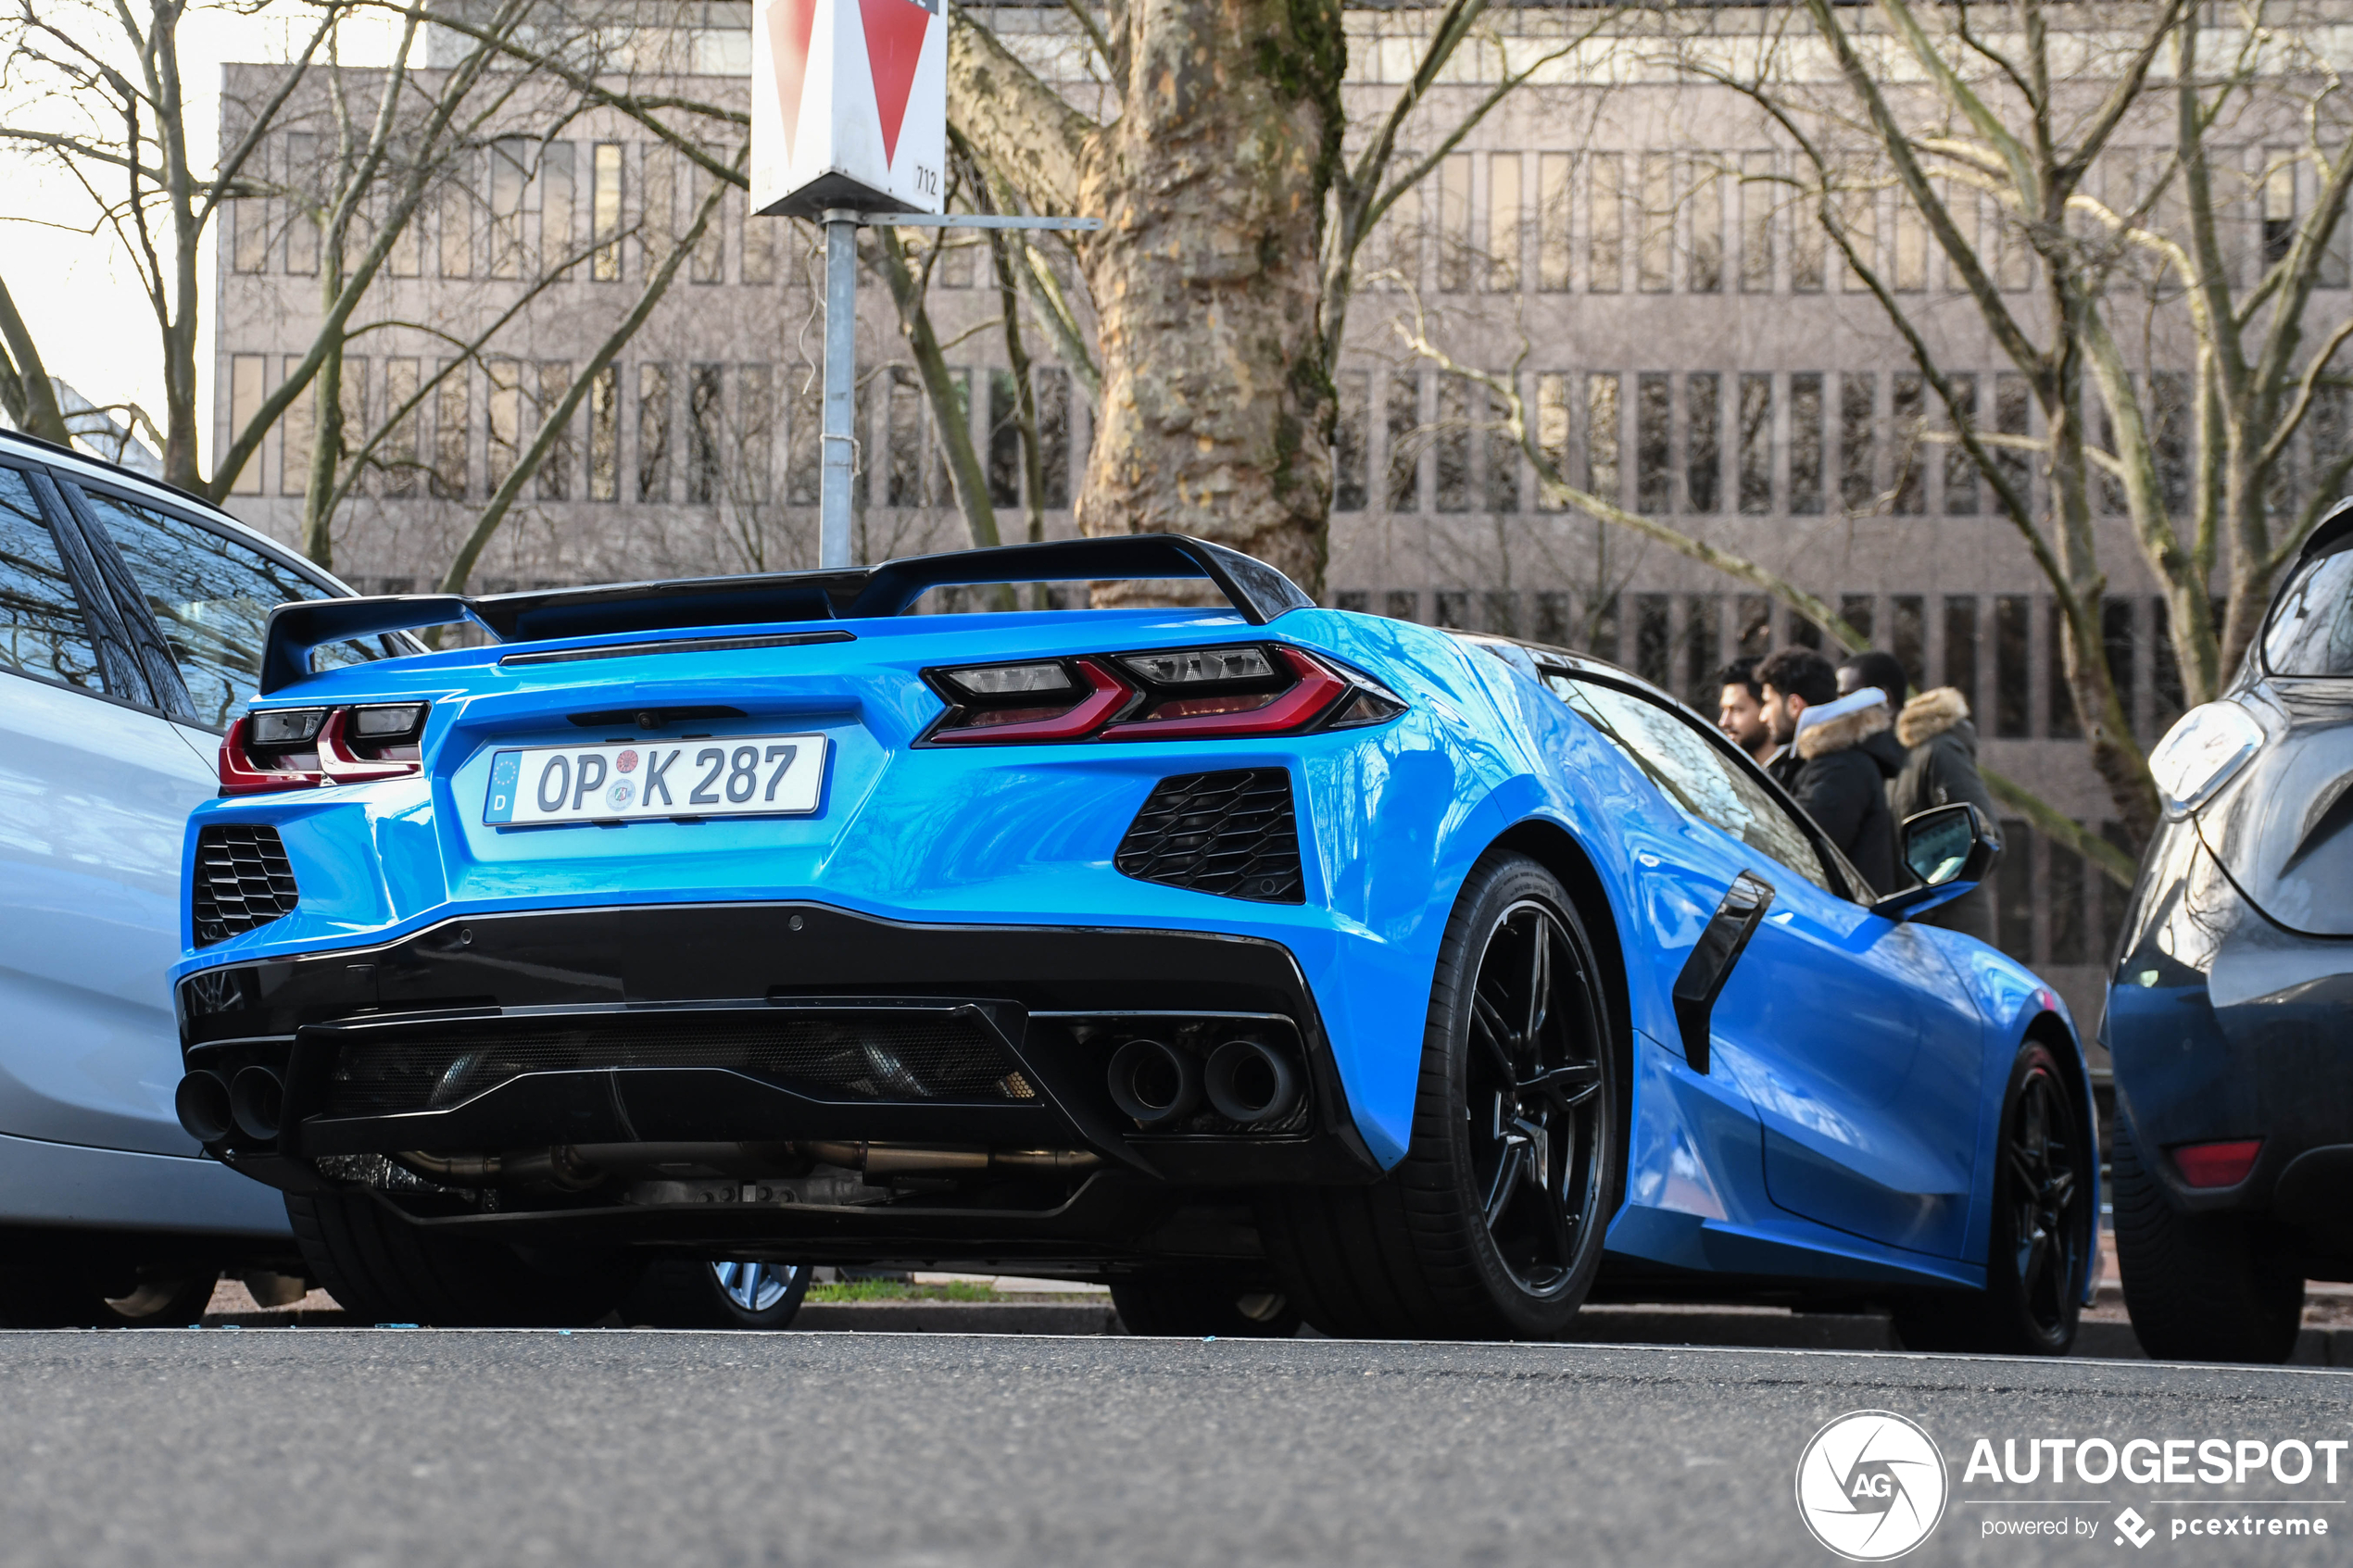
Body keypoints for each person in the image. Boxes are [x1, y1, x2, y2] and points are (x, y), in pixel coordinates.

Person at [1840, 653, 2002, 943]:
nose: (1840, 707)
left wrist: (1925, 897)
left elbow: (1988, 838)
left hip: (1949, 937)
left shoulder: (1937, 752)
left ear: (1885, 699)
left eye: (1848, 696)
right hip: (1913, 933)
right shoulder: (1888, 762)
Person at [1755, 646, 1898, 894]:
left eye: (1767, 702)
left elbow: (1797, 854)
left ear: (1794, 705)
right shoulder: (1823, 763)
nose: (1763, 716)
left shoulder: (1840, 768)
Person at [1715, 656, 1776, 764]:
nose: (1724, 722)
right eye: (1724, 710)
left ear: (1766, 707)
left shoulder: (1803, 776)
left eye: (1737, 710)